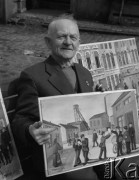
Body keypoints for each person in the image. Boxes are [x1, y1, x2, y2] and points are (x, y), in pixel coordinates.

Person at [11, 14, 98, 180]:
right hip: (56, 155)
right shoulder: (33, 75)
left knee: (129, 164)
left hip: (90, 144)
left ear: (79, 42)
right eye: (61, 37)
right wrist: (30, 130)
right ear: (48, 42)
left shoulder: (85, 73)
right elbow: (20, 119)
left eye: (73, 37)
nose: (68, 42)